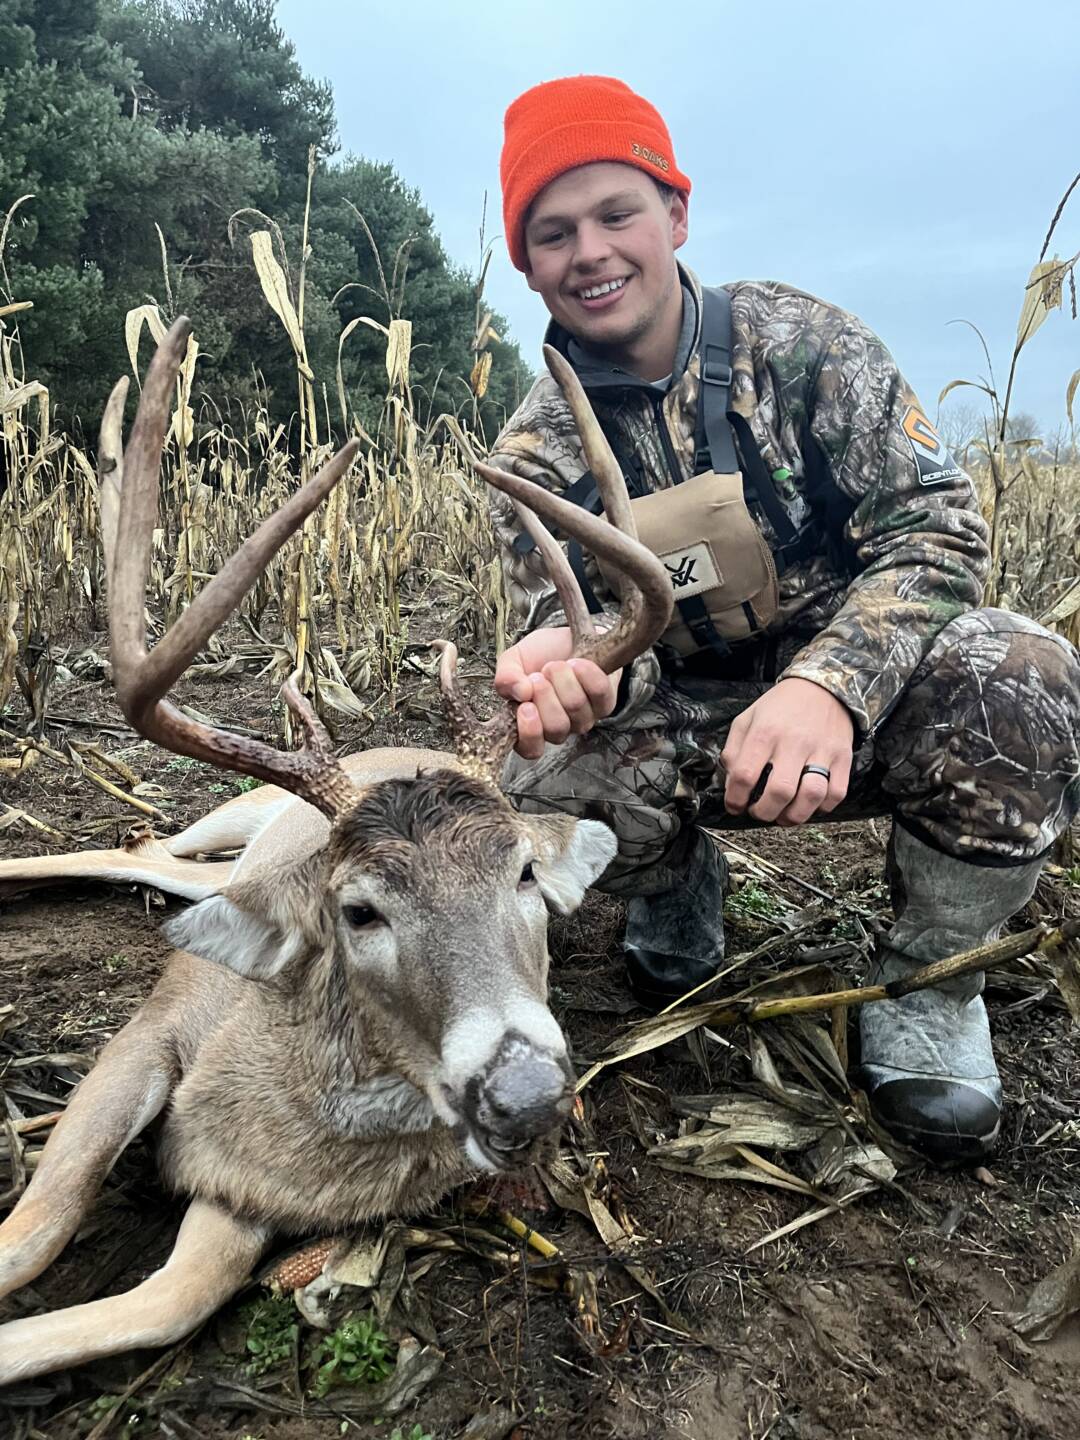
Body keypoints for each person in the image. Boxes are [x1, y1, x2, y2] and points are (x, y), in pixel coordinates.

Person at [484, 75, 1080, 1165]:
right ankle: (672, 885)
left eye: (617, 213)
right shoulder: (532, 457)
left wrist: (827, 687)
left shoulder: (803, 347)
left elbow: (939, 533)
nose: (590, 252)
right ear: (528, 264)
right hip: (687, 730)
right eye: (553, 233)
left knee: (1023, 675)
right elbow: (571, 639)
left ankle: (932, 980)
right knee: (520, 780)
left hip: (866, 710)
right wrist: (575, 670)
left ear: (675, 214)